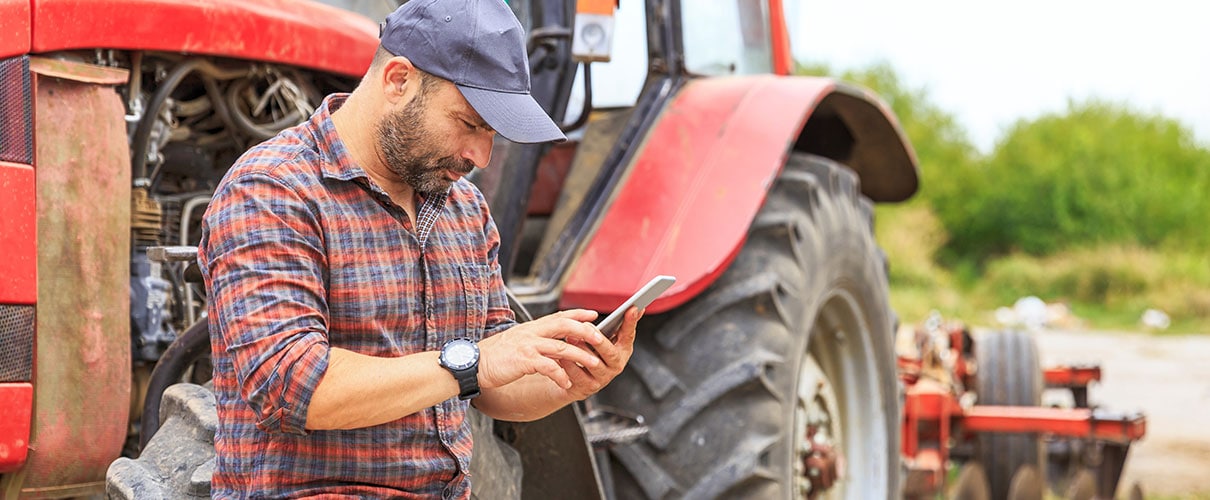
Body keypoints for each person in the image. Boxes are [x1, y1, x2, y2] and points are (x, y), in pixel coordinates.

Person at [198, 0, 641, 497]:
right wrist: (474, 361)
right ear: (398, 80)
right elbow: (291, 389)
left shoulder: (464, 209)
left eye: (491, 134)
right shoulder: (272, 190)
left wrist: (569, 380)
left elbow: (493, 384)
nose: (480, 156)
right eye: (470, 123)